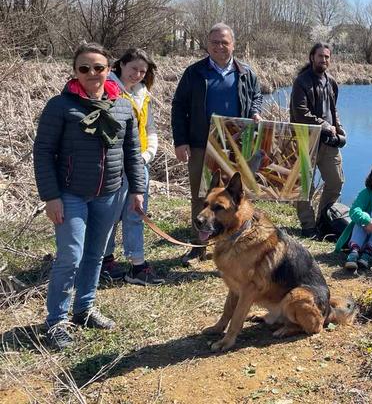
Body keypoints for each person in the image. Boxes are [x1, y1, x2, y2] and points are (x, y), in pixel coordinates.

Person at [34, 43, 146, 350]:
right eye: (84, 68)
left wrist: (136, 190)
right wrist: (51, 197)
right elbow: (43, 152)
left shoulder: (122, 106)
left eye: (98, 67)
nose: (92, 74)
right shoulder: (60, 106)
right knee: (71, 255)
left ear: (109, 69)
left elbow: (132, 154)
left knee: (96, 254)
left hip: (109, 194)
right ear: (75, 72)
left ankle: (84, 309)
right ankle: (56, 320)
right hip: (70, 194)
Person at [171, 23, 264, 266]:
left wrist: (255, 111)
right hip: (203, 145)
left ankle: (233, 245)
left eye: (224, 42)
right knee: (201, 195)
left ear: (233, 44)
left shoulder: (246, 72)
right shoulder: (194, 73)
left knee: (234, 199)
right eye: (214, 42)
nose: (219, 46)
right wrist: (181, 141)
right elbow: (178, 107)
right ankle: (197, 248)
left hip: (236, 146)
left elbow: (256, 95)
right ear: (207, 44)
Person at [100, 48, 164, 286]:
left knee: (136, 213)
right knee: (110, 215)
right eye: (133, 69)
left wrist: (146, 156)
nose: (137, 75)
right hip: (114, 165)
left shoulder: (143, 93)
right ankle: (105, 261)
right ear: (120, 65)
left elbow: (150, 129)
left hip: (139, 165)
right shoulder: (107, 89)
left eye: (143, 71)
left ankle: (137, 265)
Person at [289, 42, 346, 238]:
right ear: (312, 57)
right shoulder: (301, 82)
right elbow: (300, 112)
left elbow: (333, 109)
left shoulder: (331, 82)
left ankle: (324, 220)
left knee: (336, 181)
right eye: (320, 56)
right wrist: (322, 124)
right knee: (305, 185)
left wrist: (338, 129)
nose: (324, 60)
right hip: (306, 141)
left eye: (327, 57)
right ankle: (308, 226)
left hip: (329, 143)